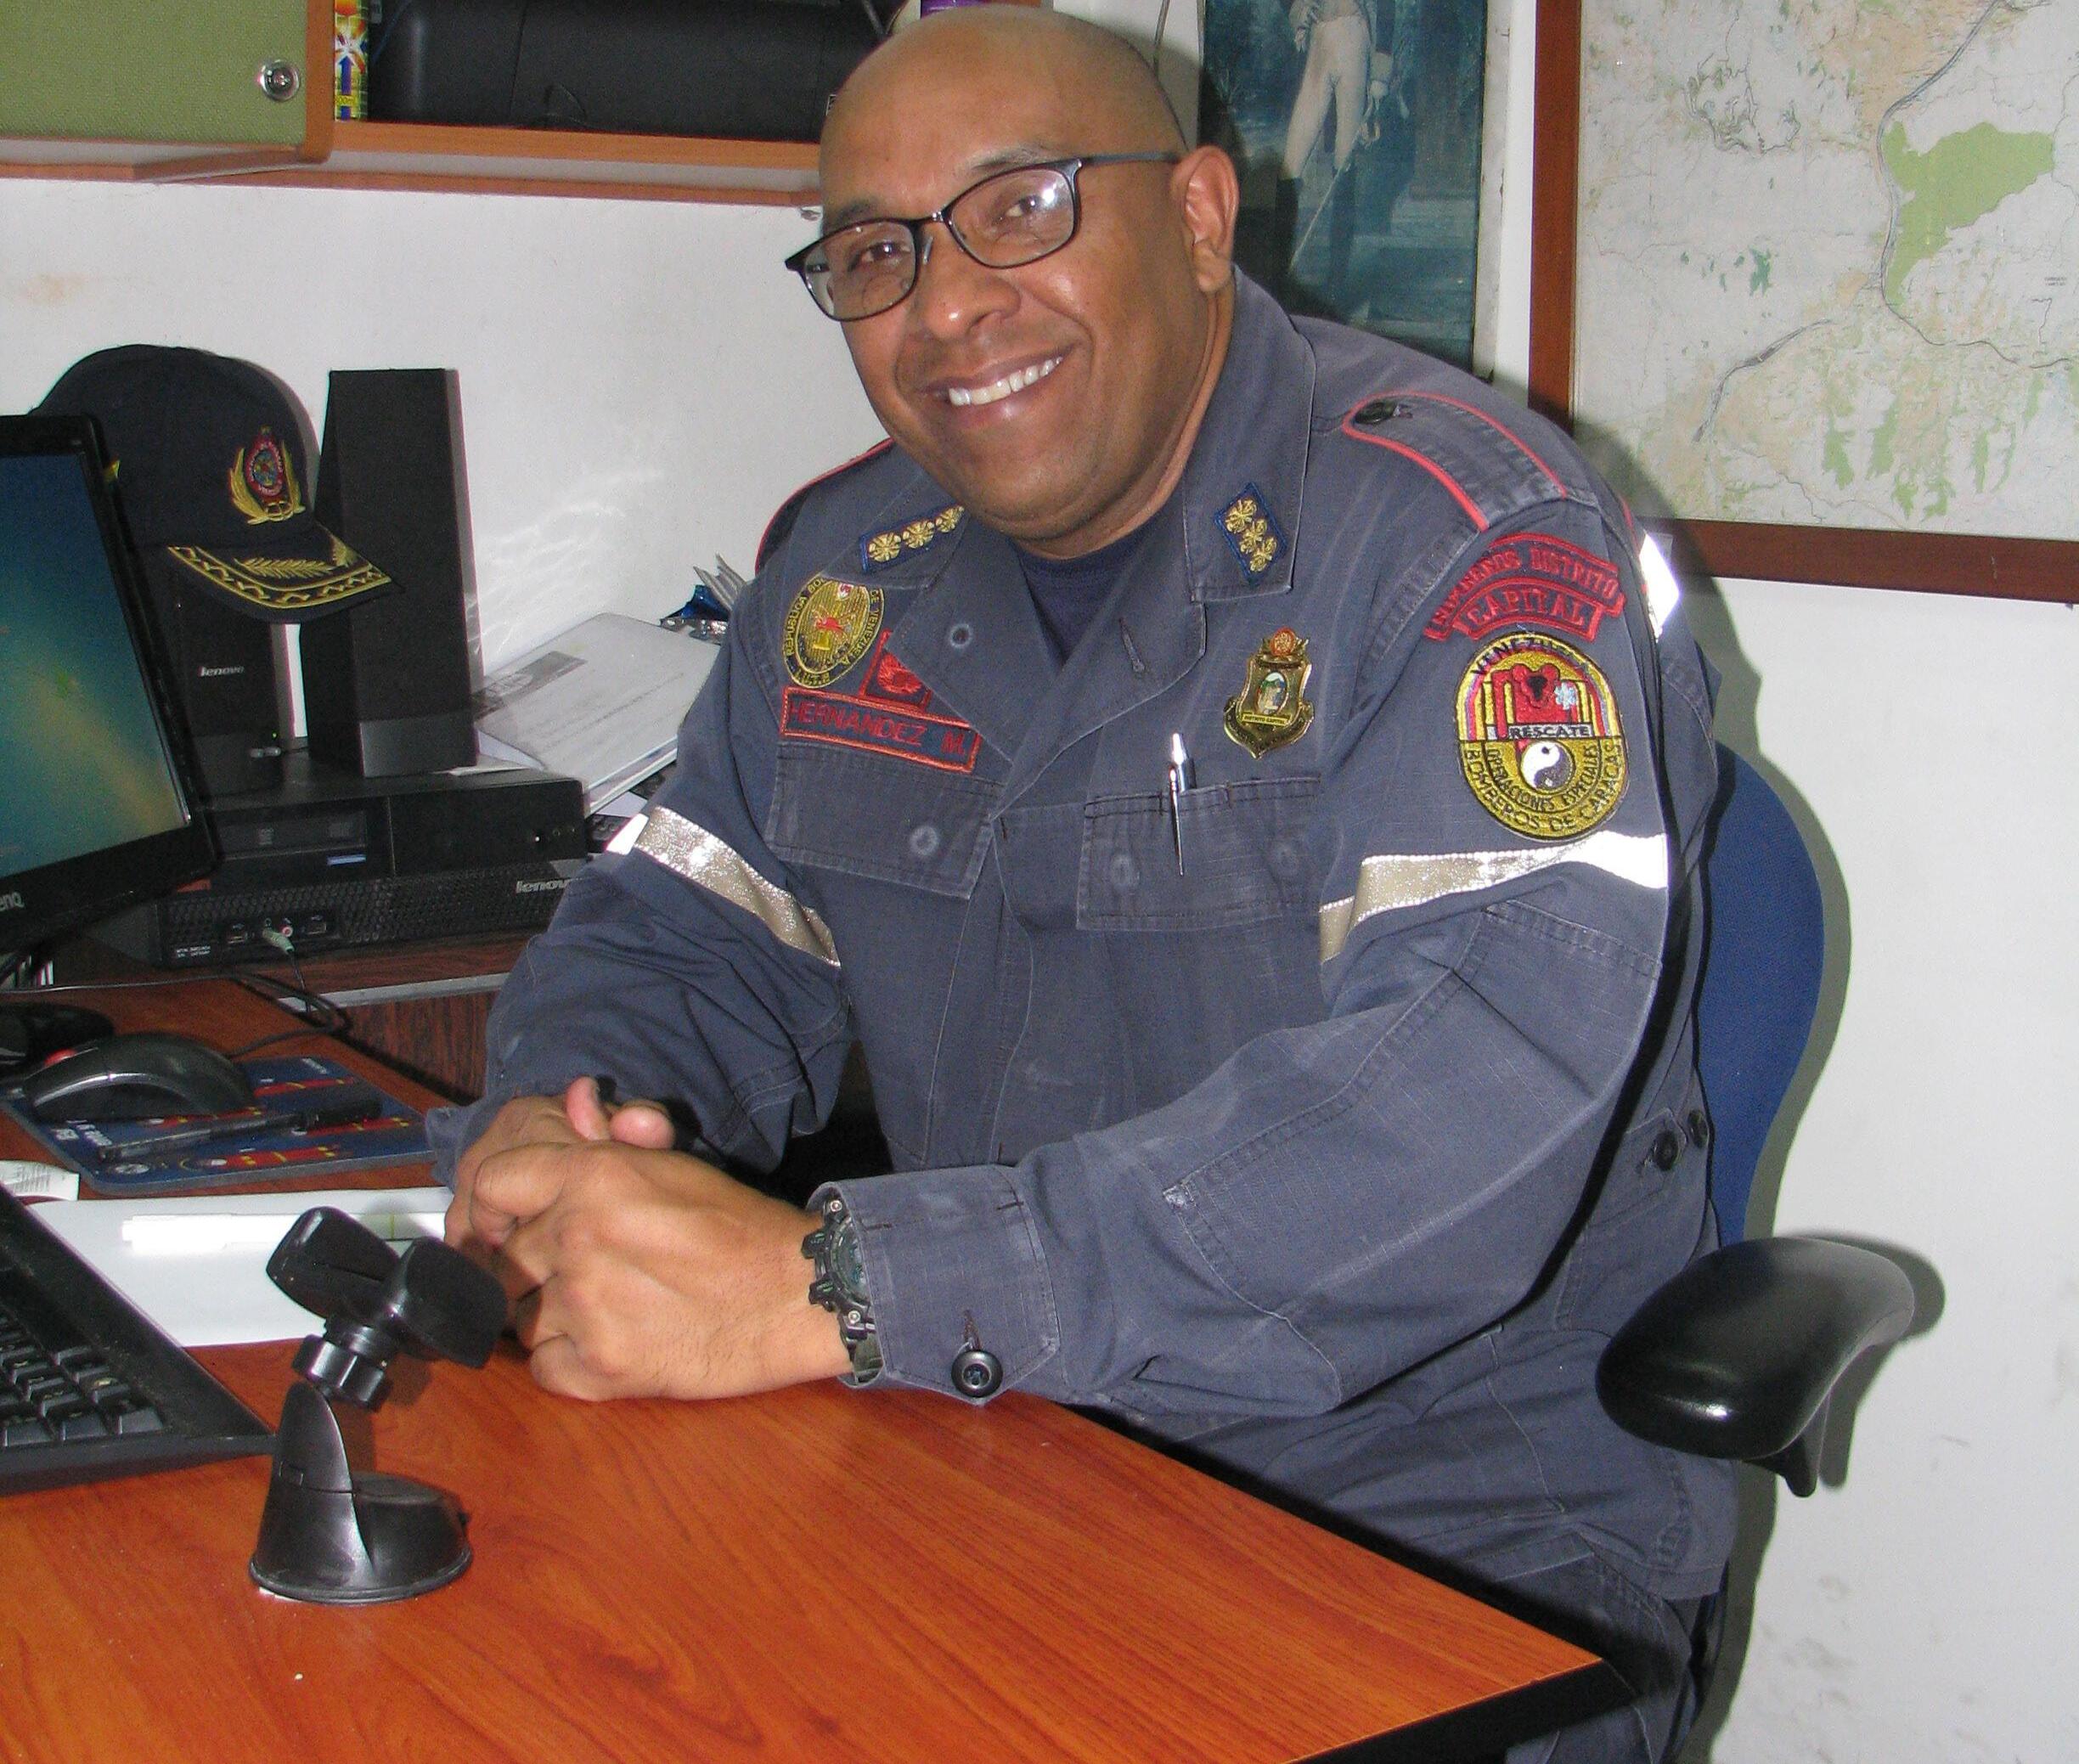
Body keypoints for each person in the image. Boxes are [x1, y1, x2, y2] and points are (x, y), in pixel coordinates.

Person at [435, 10, 1732, 1759]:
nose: (947, 306)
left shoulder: (1458, 537)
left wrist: (843, 1285)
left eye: (1021, 208)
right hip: (992, 1438)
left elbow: (1457, 1094)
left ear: (1197, 217)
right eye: (877, 254)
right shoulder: (849, 571)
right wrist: (563, 1122)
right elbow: (691, 922)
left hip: (1429, 1513)